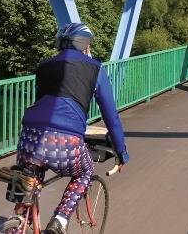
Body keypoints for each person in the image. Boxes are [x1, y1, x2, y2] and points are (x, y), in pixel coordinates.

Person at [17, 22, 130, 234]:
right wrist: (121, 151)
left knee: (31, 179)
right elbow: (111, 116)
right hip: (65, 141)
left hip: (29, 138)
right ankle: (59, 220)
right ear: (85, 44)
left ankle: (20, 220)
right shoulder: (95, 68)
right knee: (85, 171)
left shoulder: (44, 66)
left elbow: (43, 104)